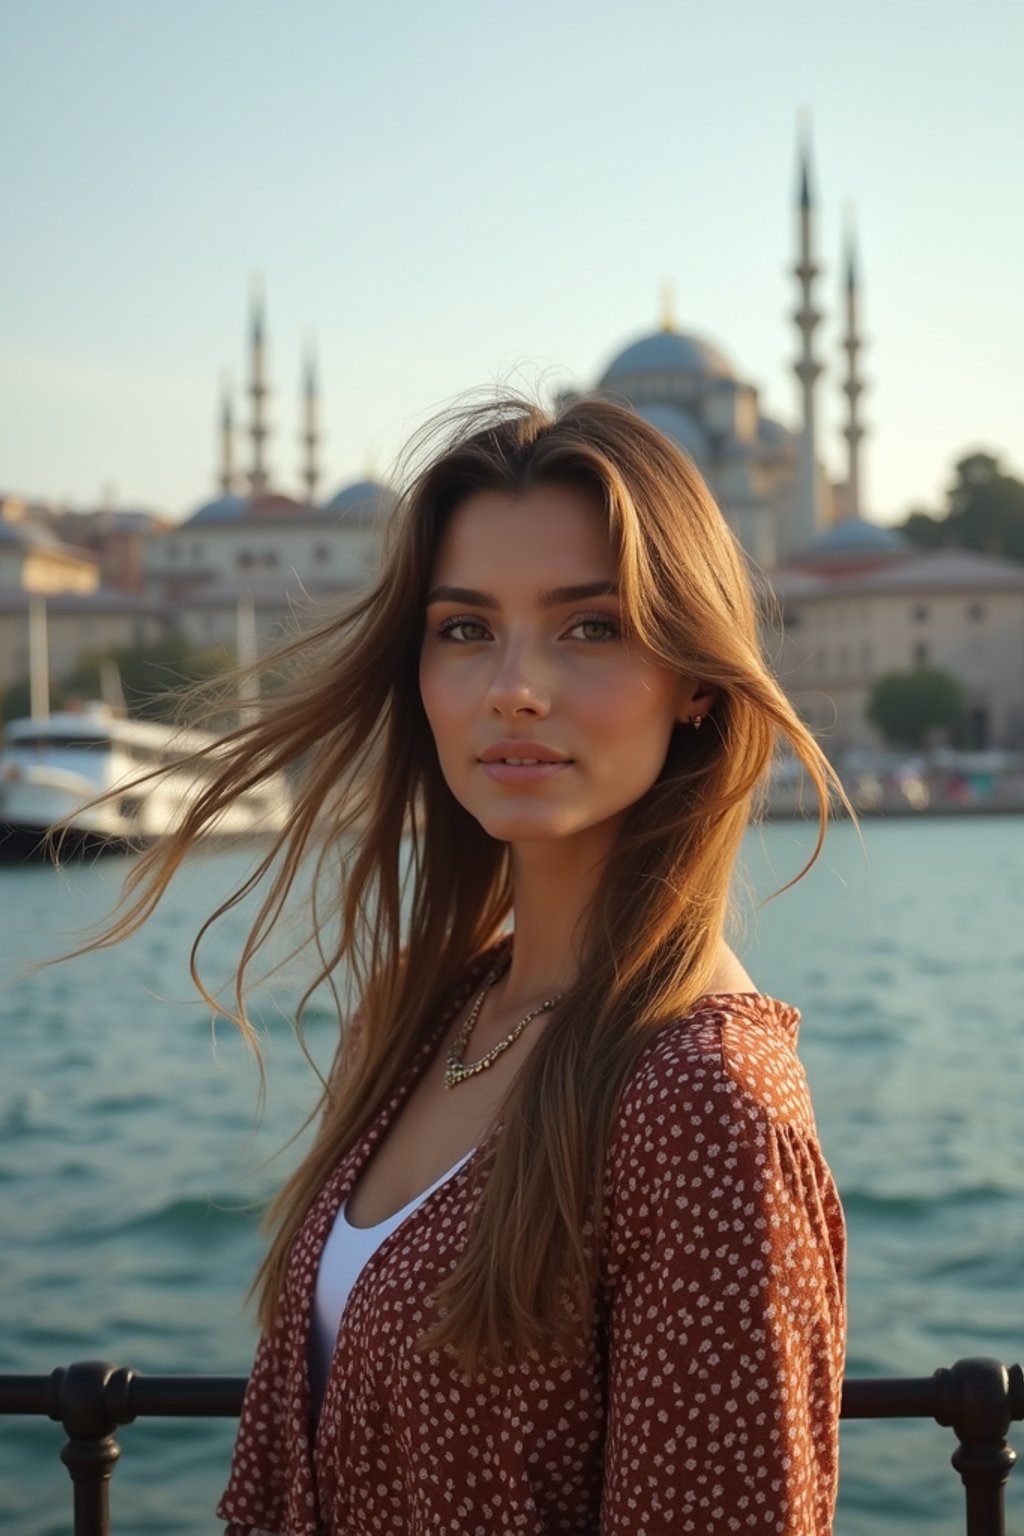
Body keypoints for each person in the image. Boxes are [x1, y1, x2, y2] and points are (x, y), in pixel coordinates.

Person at [95, 393, 847, 1534]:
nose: (513, 686)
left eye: (589, 626)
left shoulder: (704, 1106)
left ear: (694, 679)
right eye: (464, 628)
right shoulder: (410, 1018)